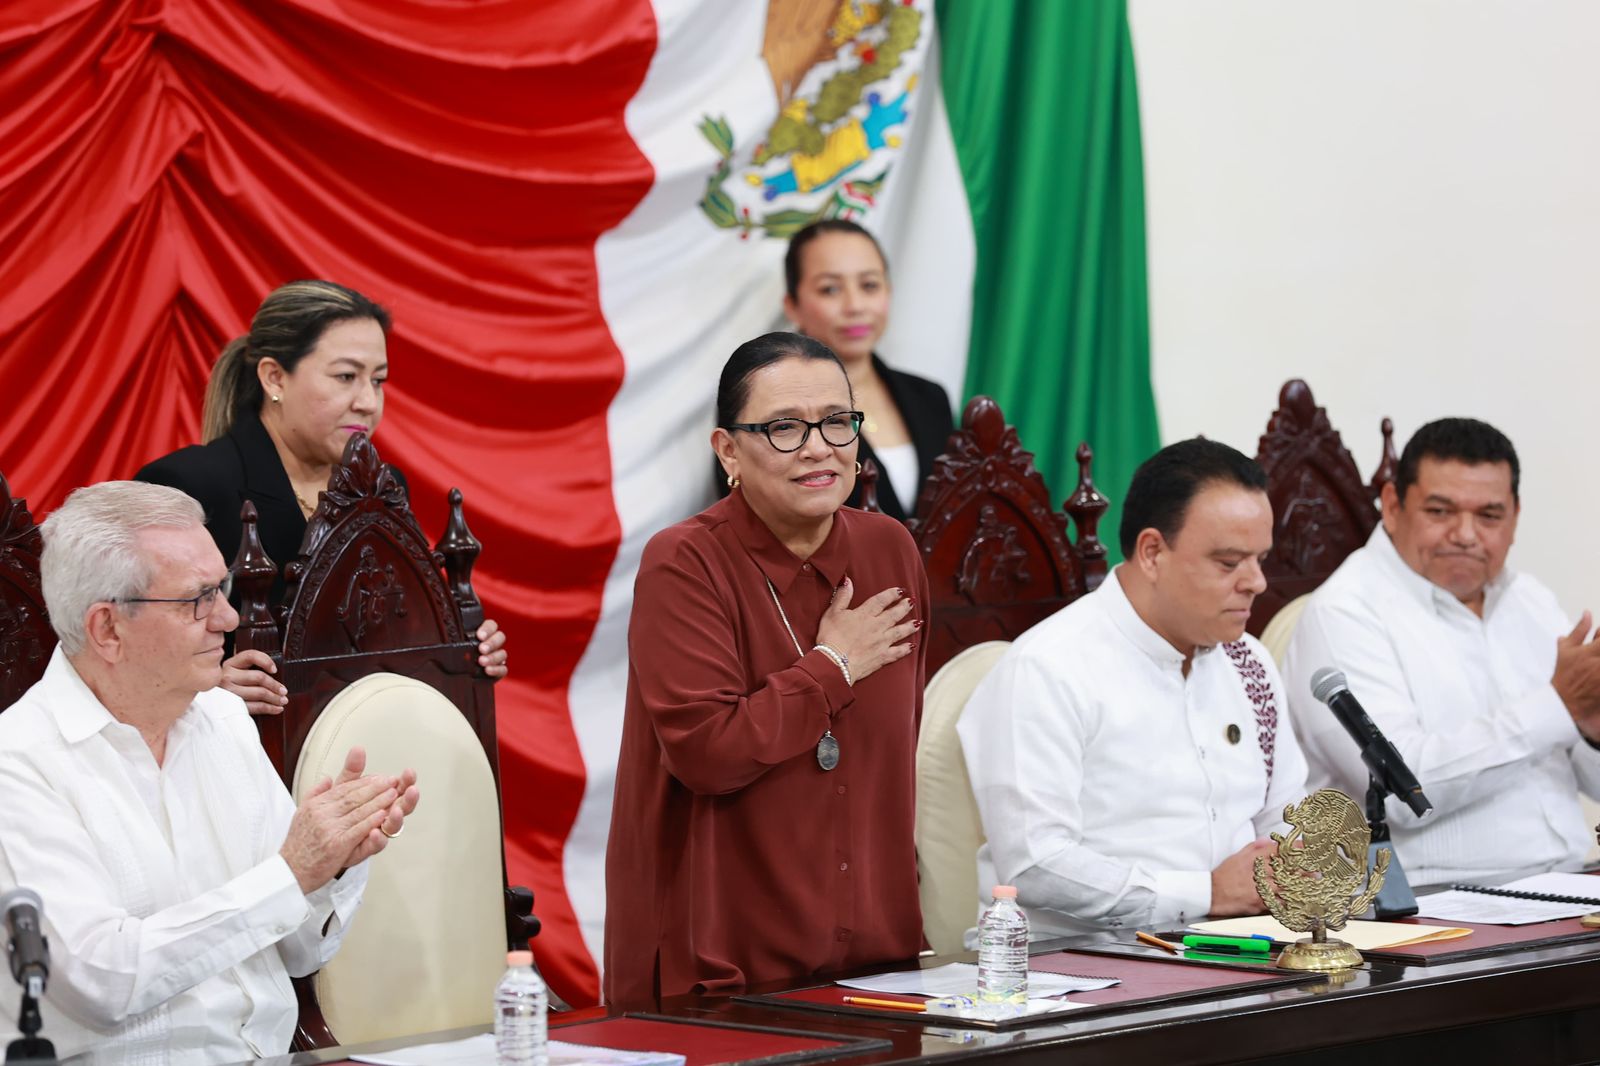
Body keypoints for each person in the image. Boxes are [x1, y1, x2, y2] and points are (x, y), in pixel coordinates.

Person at [0, 481, 419, 1063]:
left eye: (220, 587)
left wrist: (333, 863)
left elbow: (300, 953)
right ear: (107, 629)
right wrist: (292, 872)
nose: (227, 617)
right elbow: (101, 982)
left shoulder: (222, 719)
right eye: (197, 599)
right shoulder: (19, 764)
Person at [604, 332, 927, 1009]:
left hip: (875, 958)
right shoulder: (685, 563)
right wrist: (832, 667)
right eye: (785, 427)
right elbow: (708, 754)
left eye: (838, 421)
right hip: (725, 965)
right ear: (728, 451)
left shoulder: (890, 549)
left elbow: (895, 754)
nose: (819, 447)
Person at [959, 439, 1310, 937]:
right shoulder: (1049, 667)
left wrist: (1291, 864)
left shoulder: (1248, 662)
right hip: (1079, 973)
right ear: (1152, 553)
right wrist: (1205, 894)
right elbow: (1036, 864)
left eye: (1260, 559)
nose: (1255, 581)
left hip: (1242, 949)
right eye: (1230, 563)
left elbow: (1284, 816)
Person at [135, 280, 507, 715]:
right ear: (275, 377)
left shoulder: (385, 487)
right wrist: (205, 685)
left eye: (379, 380)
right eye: (346, 377)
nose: (369, 402)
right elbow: (125, 641)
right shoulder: (186, 483)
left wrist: (464, 650)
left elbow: (401, 629)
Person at [1284, 418, 1600, 888]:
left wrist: (1592, 732)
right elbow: (1403, 792)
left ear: (1515, 516)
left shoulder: (1529, 600)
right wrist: (1557, 707)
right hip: (1433, 906)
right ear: (1392, 506)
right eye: (1440, 511)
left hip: (1570, 885)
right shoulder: (1344, 611)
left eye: (1489, 516)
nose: (1466, 534)